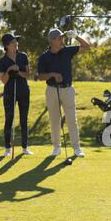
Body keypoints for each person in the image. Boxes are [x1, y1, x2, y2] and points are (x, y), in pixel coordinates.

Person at [37, 29, 90, 157]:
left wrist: (76, 36)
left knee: (72, 119)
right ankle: (56, 147)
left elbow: (86, 47)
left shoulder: (67, 51)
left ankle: (76, 148)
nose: (62, 40)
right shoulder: (44, 57)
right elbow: (40, 76)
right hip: (52, 90)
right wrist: (52, 75)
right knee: (54, 120)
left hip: (68, 89)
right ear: (52, 41)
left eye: (62, 37)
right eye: (60, 38)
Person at [0, 33, 33, 157]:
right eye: (13, 42)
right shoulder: (3, 61)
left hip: (23, 90)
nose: (16, 43)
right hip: (9, 91)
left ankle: (25, 147)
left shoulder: (23, 56)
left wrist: (18, 70)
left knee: (24, 119)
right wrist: (9, 70)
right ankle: (7, 148)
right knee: (9, 118)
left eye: (16, 41)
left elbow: (27, 74)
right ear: (7, 46)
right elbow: (3, 80)